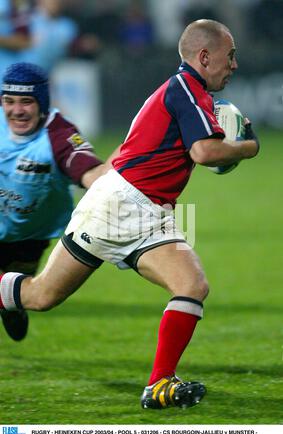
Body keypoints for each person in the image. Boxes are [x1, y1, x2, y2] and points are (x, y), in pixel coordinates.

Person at [0, 20, 259, 410]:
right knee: (39, 296)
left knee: (192, 285)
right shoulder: (186, 88)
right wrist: (247, 148)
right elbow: (205, 153)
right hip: (117, 204)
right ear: (205, 57)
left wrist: (229, 146)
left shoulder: (191, 91)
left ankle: (159, 385)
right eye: (231, 55)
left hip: (149, 210)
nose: (234, 64)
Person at [0, 61, 111, 336]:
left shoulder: (59, 134)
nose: (16, 110)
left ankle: (10, 304)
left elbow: (91, 175)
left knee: (16, 289)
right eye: (9, 101)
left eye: (26, 101)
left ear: (42, 104)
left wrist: (128, 161)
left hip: (30, 233)